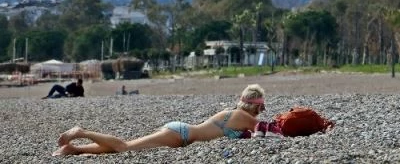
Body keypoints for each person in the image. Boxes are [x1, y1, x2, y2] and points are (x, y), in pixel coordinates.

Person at [52, 83, 266, 156]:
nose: (262, 111)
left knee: (126, 147)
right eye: (262, 106)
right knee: (124, 147)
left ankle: (76, 149)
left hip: (180, 131)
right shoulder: (245, 117)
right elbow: (275, 130)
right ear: (256, 105)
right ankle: (82, 132)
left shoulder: (236, 114)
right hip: (181, 136)